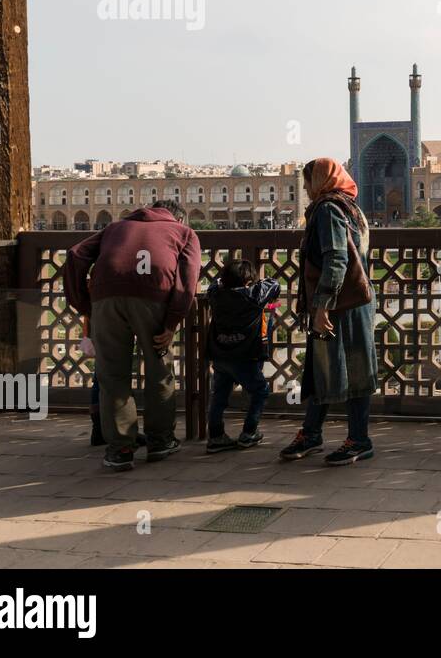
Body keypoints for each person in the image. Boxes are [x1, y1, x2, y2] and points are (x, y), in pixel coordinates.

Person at [64, 200, 200, 471]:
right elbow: (188, 279)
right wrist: (172, 321)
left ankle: (120, 449)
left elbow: (75, 254)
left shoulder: (116, 227)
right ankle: (160, 441)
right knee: (158, 370)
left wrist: (84, 304)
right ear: (179, 219)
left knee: (112, 375)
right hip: (154, 298)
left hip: (106, 297)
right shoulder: (183, 233)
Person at [279, 157, 378, 465]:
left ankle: (357, 439)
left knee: (344, 369)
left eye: (308, 182)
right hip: (356, 303)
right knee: (324, 367)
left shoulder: (327, 210)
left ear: (320, 181)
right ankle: (313, 433)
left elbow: (336, 259)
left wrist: (322, 305)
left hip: (338, 305)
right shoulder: (352, 208)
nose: (306, 189)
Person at [205, 259, 280, 452]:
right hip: (246, 356)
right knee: (260, 391)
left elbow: (213, 284)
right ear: (248, 282)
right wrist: (258, 282)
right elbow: (274, 284)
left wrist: (221, 282)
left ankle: (215, 435)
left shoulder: (216, 295)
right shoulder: (253, 295)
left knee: (219, 395)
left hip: (220, 354)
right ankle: (249, 432)